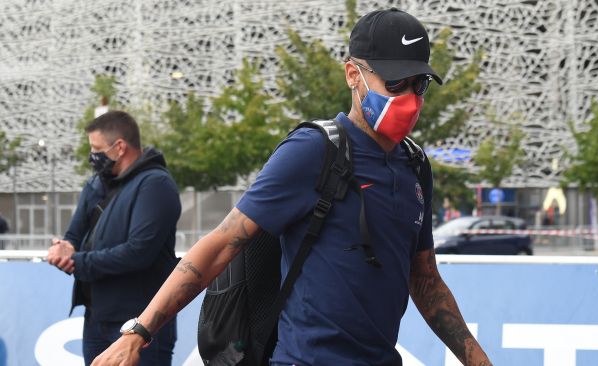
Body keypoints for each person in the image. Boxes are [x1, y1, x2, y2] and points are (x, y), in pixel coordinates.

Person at [93, 8, 492, 366]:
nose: (409, 98)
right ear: (353, 74)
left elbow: (424, 279)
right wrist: (139, 332)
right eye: (395, 82)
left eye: (419, 84)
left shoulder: (415, 166)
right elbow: (222, 243)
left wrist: (477, 361)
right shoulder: (314, 150)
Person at [46, 111, 181, 366]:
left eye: (96, 149)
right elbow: (74, 234)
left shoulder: (156, 185)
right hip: (95, 319)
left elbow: (138, 252)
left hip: (141, 325)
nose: (92, 156)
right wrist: (64, 250)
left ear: (119, 147)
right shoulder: (96, 184)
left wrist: (77, 261)